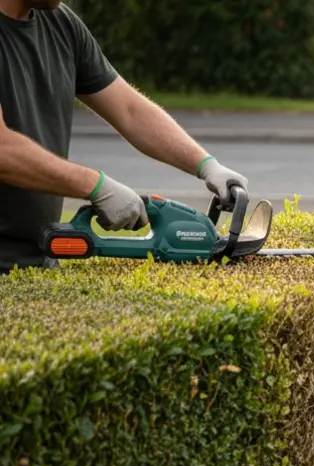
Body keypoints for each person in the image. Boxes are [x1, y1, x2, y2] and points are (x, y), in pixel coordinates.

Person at [0, 0, 248, 272]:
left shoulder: (61, 25)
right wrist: (96, 186)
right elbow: (3, 150)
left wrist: (206, 165)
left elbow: (129, 111)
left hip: (37, 264)